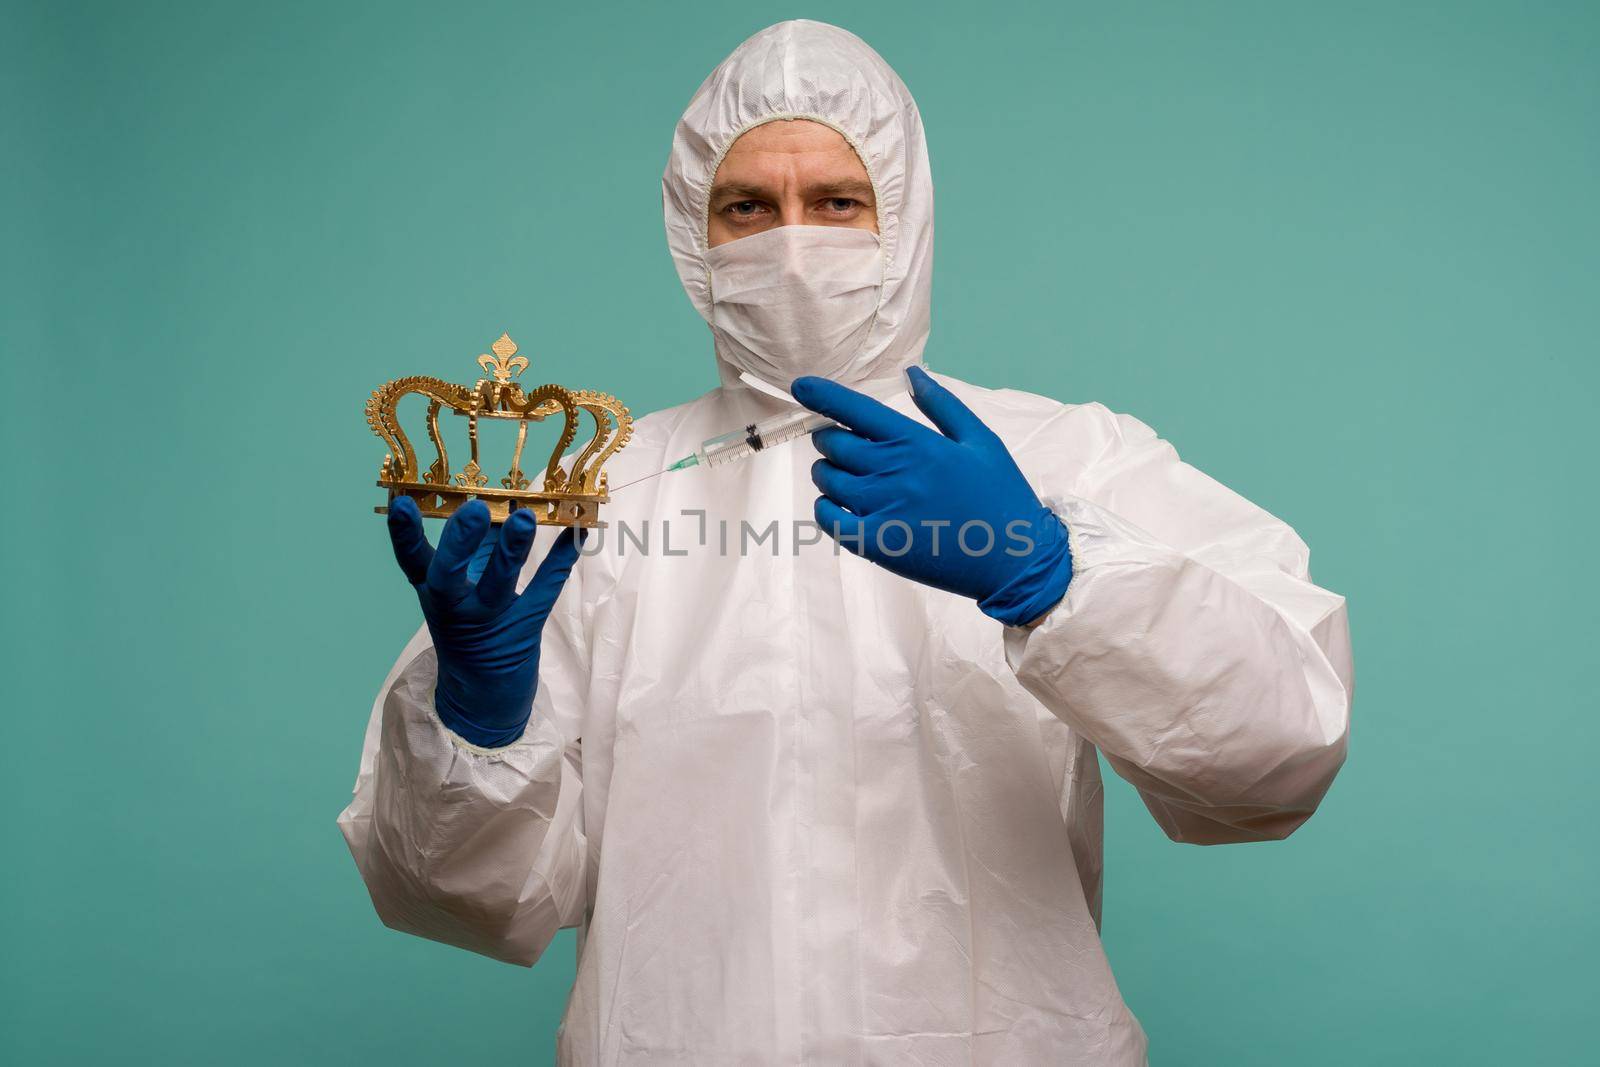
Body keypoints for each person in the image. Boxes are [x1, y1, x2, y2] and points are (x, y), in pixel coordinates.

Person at [338, 20, 1352, 1064]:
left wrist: (1056, 575)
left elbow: (1278, 755)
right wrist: (473, 719)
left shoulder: (1063, 459)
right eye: (748, 208)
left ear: (900, 219)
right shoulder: (596, 494)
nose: (792, 241)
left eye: (836, 202)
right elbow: (457, 898)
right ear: (697, 234)